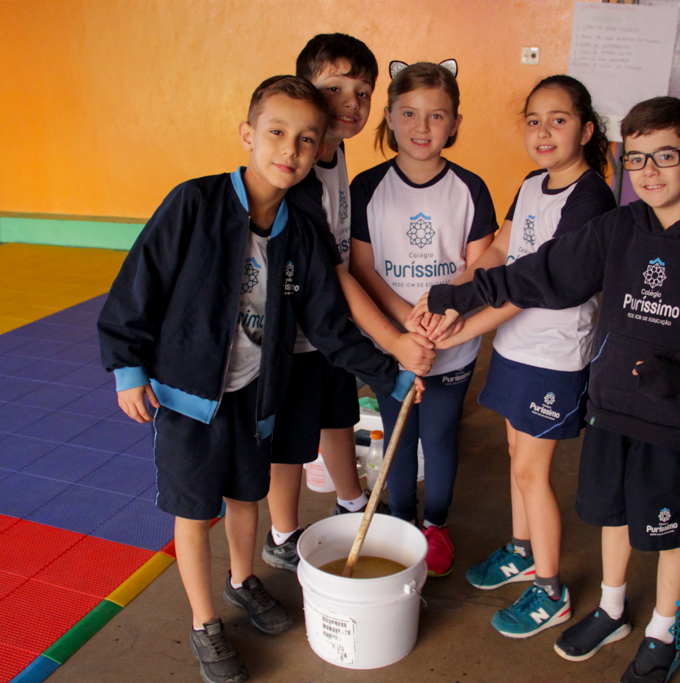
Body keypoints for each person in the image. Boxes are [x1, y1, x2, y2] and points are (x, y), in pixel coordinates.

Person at [415, 97, 680, 682]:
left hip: (676, 417)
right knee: (613, 513)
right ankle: (611, 608)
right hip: (612, 404)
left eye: (666, 156)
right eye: (637, 159)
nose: (650, 171)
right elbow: (545, 271)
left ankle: (663, 631)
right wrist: (465, 293)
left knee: (669, 529)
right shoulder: (620, 227)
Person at [98, 76, 421, 683]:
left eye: (306, 139)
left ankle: (243, 580)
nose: (289, 150)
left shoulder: (301, 229)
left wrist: (390, 375)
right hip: (188, 399)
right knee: (195, 512)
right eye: (276, 132)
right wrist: (128, 368)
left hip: (256, 395)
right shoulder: (194, 203)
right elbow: (139, 284)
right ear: (247, 134)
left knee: (247, 498)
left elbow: (328, 323)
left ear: (319, 149)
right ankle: (204, 623)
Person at [429, 75, 616, 638]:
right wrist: (452, 292)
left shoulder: (591, 198)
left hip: (553, 356)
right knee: (516, 455)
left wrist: (461, 322)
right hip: (515, 347)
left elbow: (536, 287)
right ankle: (522, 551)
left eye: (558, 120)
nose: (543, 131)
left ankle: (551, 591)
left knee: (532, 472)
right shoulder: (534, 183)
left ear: (586, 130)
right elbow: (501, 249)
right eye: (533, 120)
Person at [262, 34, 436, 572]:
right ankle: (282, 533)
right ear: (303, 89)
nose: (350, 103)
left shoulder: (334, 154)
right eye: (334, 88)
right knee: (290, 440)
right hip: (293, 332)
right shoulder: (298, 177)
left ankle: (353, 503)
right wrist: (394, 345)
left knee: (336, 415)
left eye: (362, 93)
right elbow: (335, 276)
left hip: (331, 332)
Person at [349, 60, 497, 577]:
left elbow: (482, 263)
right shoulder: (366, 187)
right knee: (398, 435)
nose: (422, 126)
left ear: (455, 123)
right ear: (389, 117)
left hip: (452, 341)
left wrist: (444, 309)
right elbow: (362, 267)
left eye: (437, 115)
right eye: (409, 113)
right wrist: (404, 323)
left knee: (438, 437)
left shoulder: (470, 188)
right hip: (391, 342)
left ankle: (435, 525)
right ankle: (400, 521)